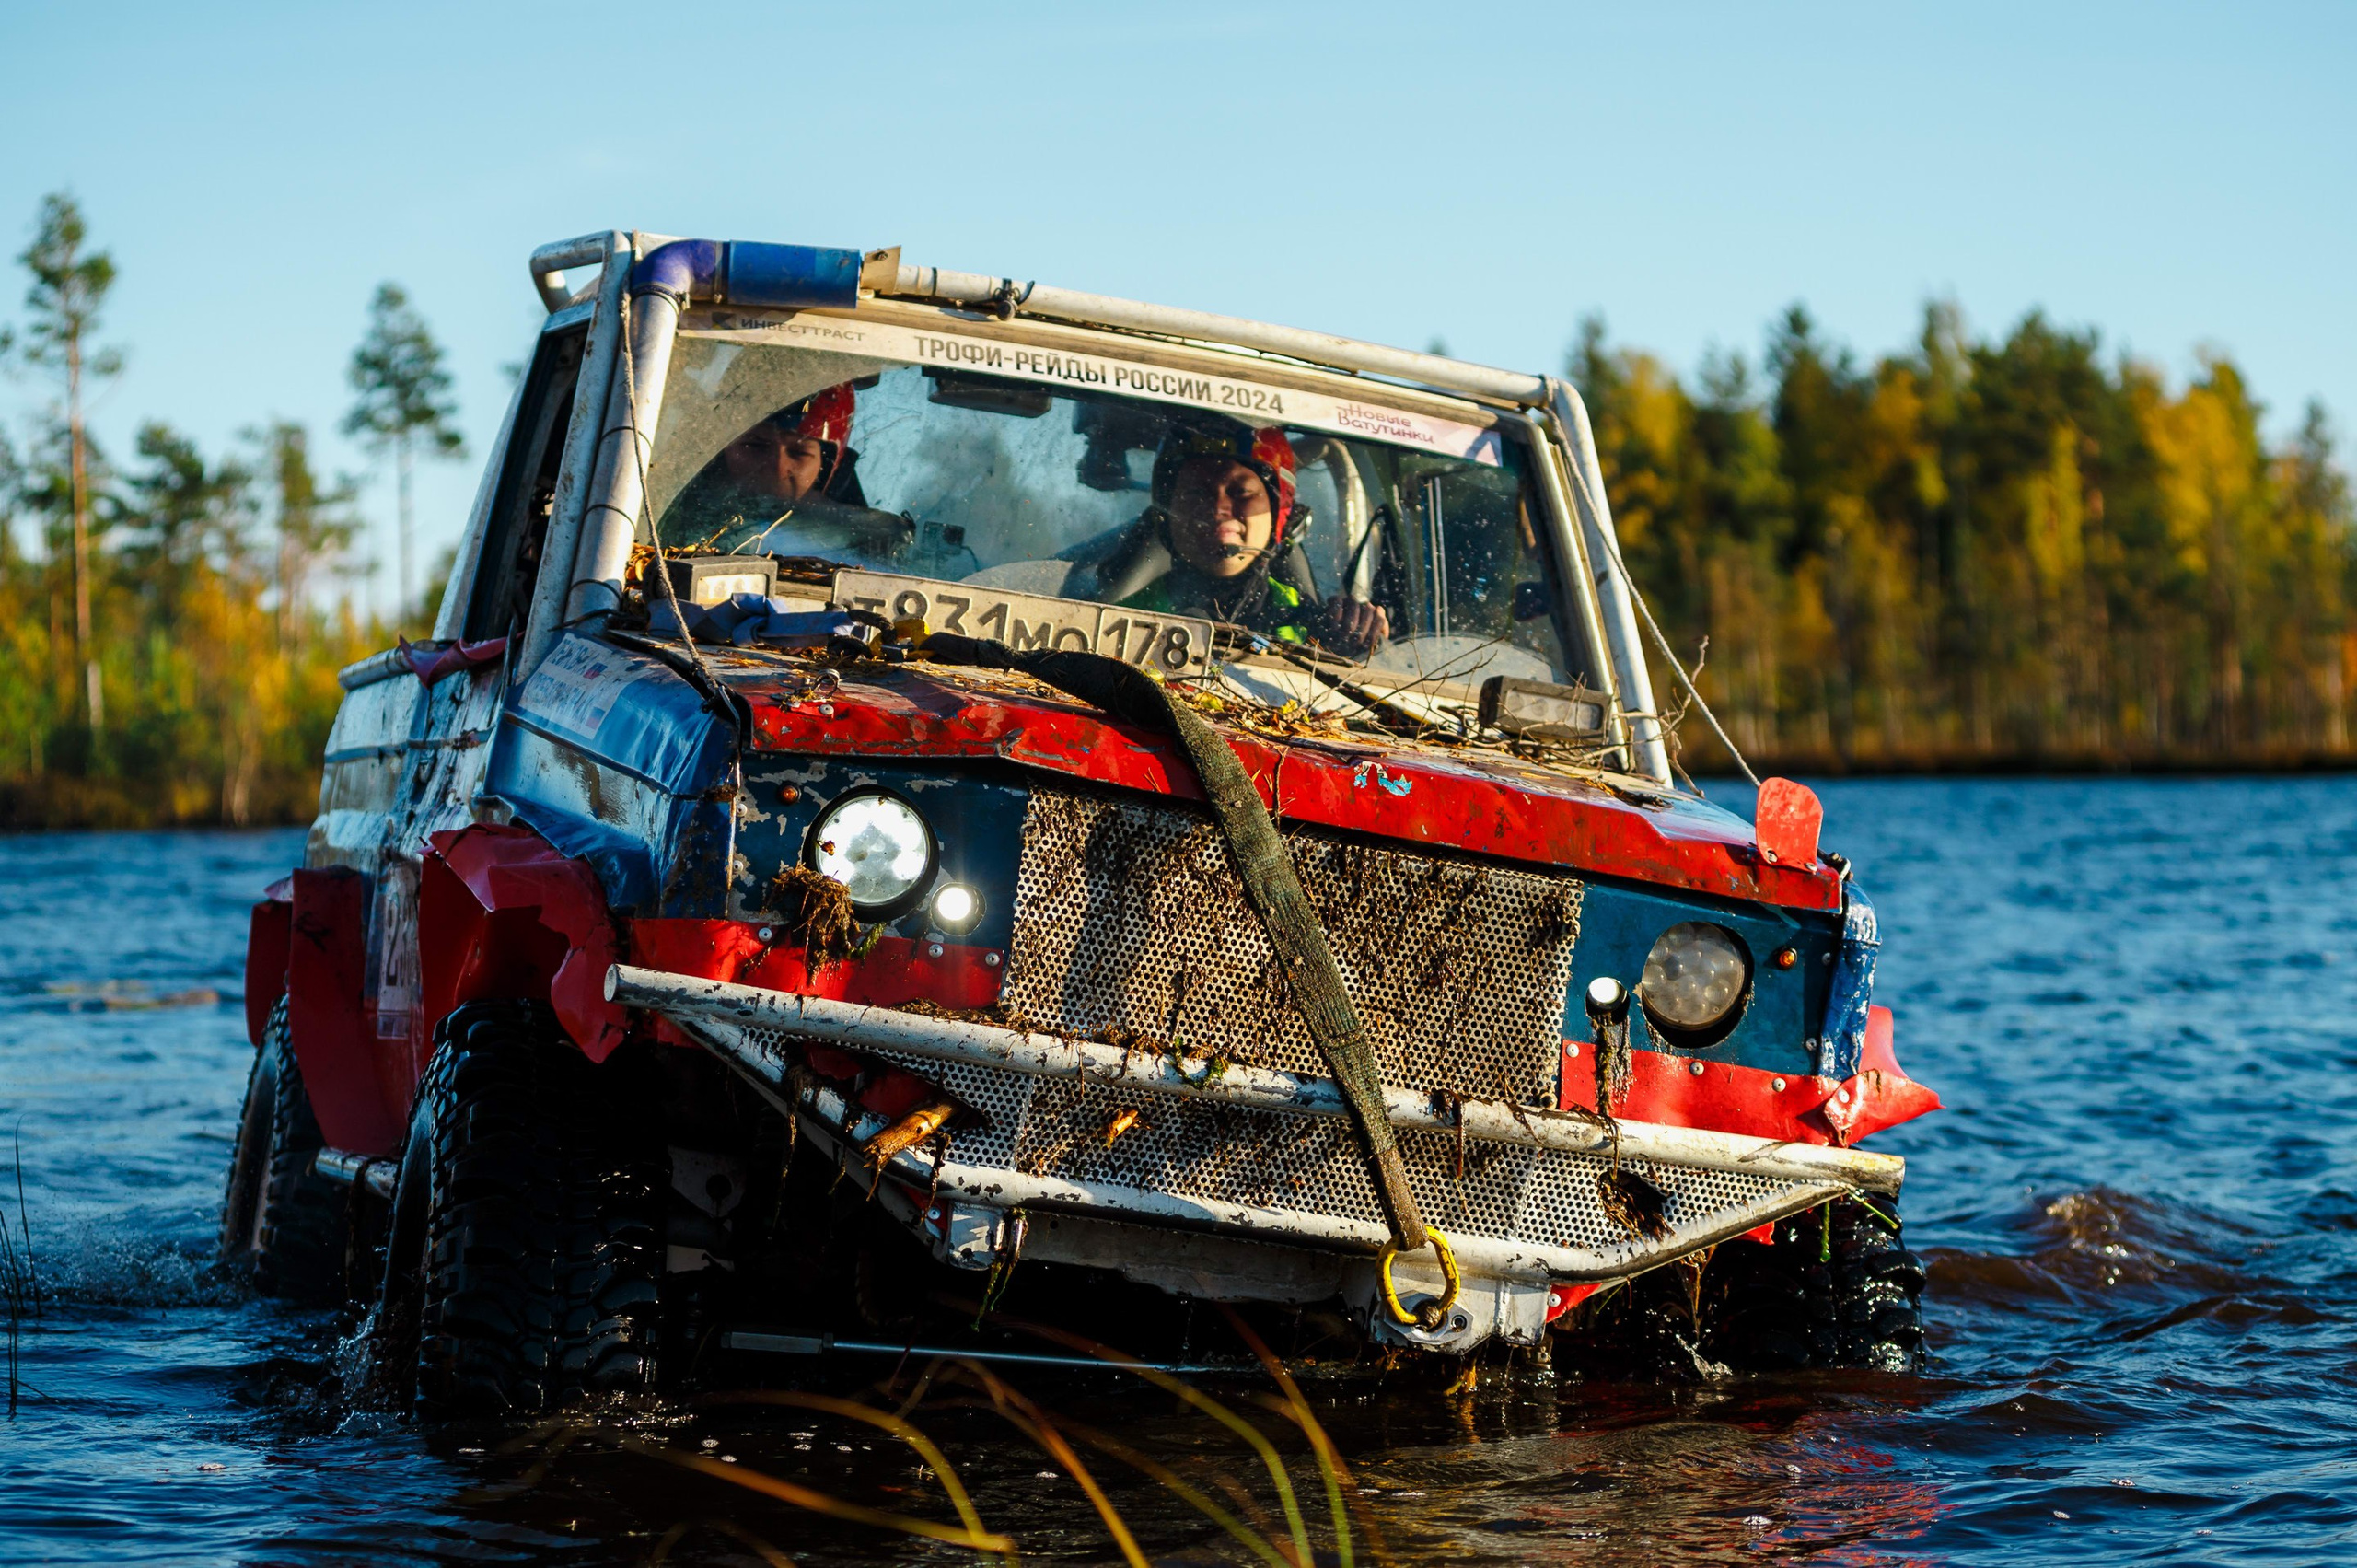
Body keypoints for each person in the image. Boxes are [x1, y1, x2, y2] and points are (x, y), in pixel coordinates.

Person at [1113, 418, 1390, 657]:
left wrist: (1357, 639)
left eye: (1241, 492)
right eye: (1197, 493)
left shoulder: (1320, 626)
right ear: (1168, 515)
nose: (1217, 508)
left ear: (1279, 513)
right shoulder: (1114, 624)